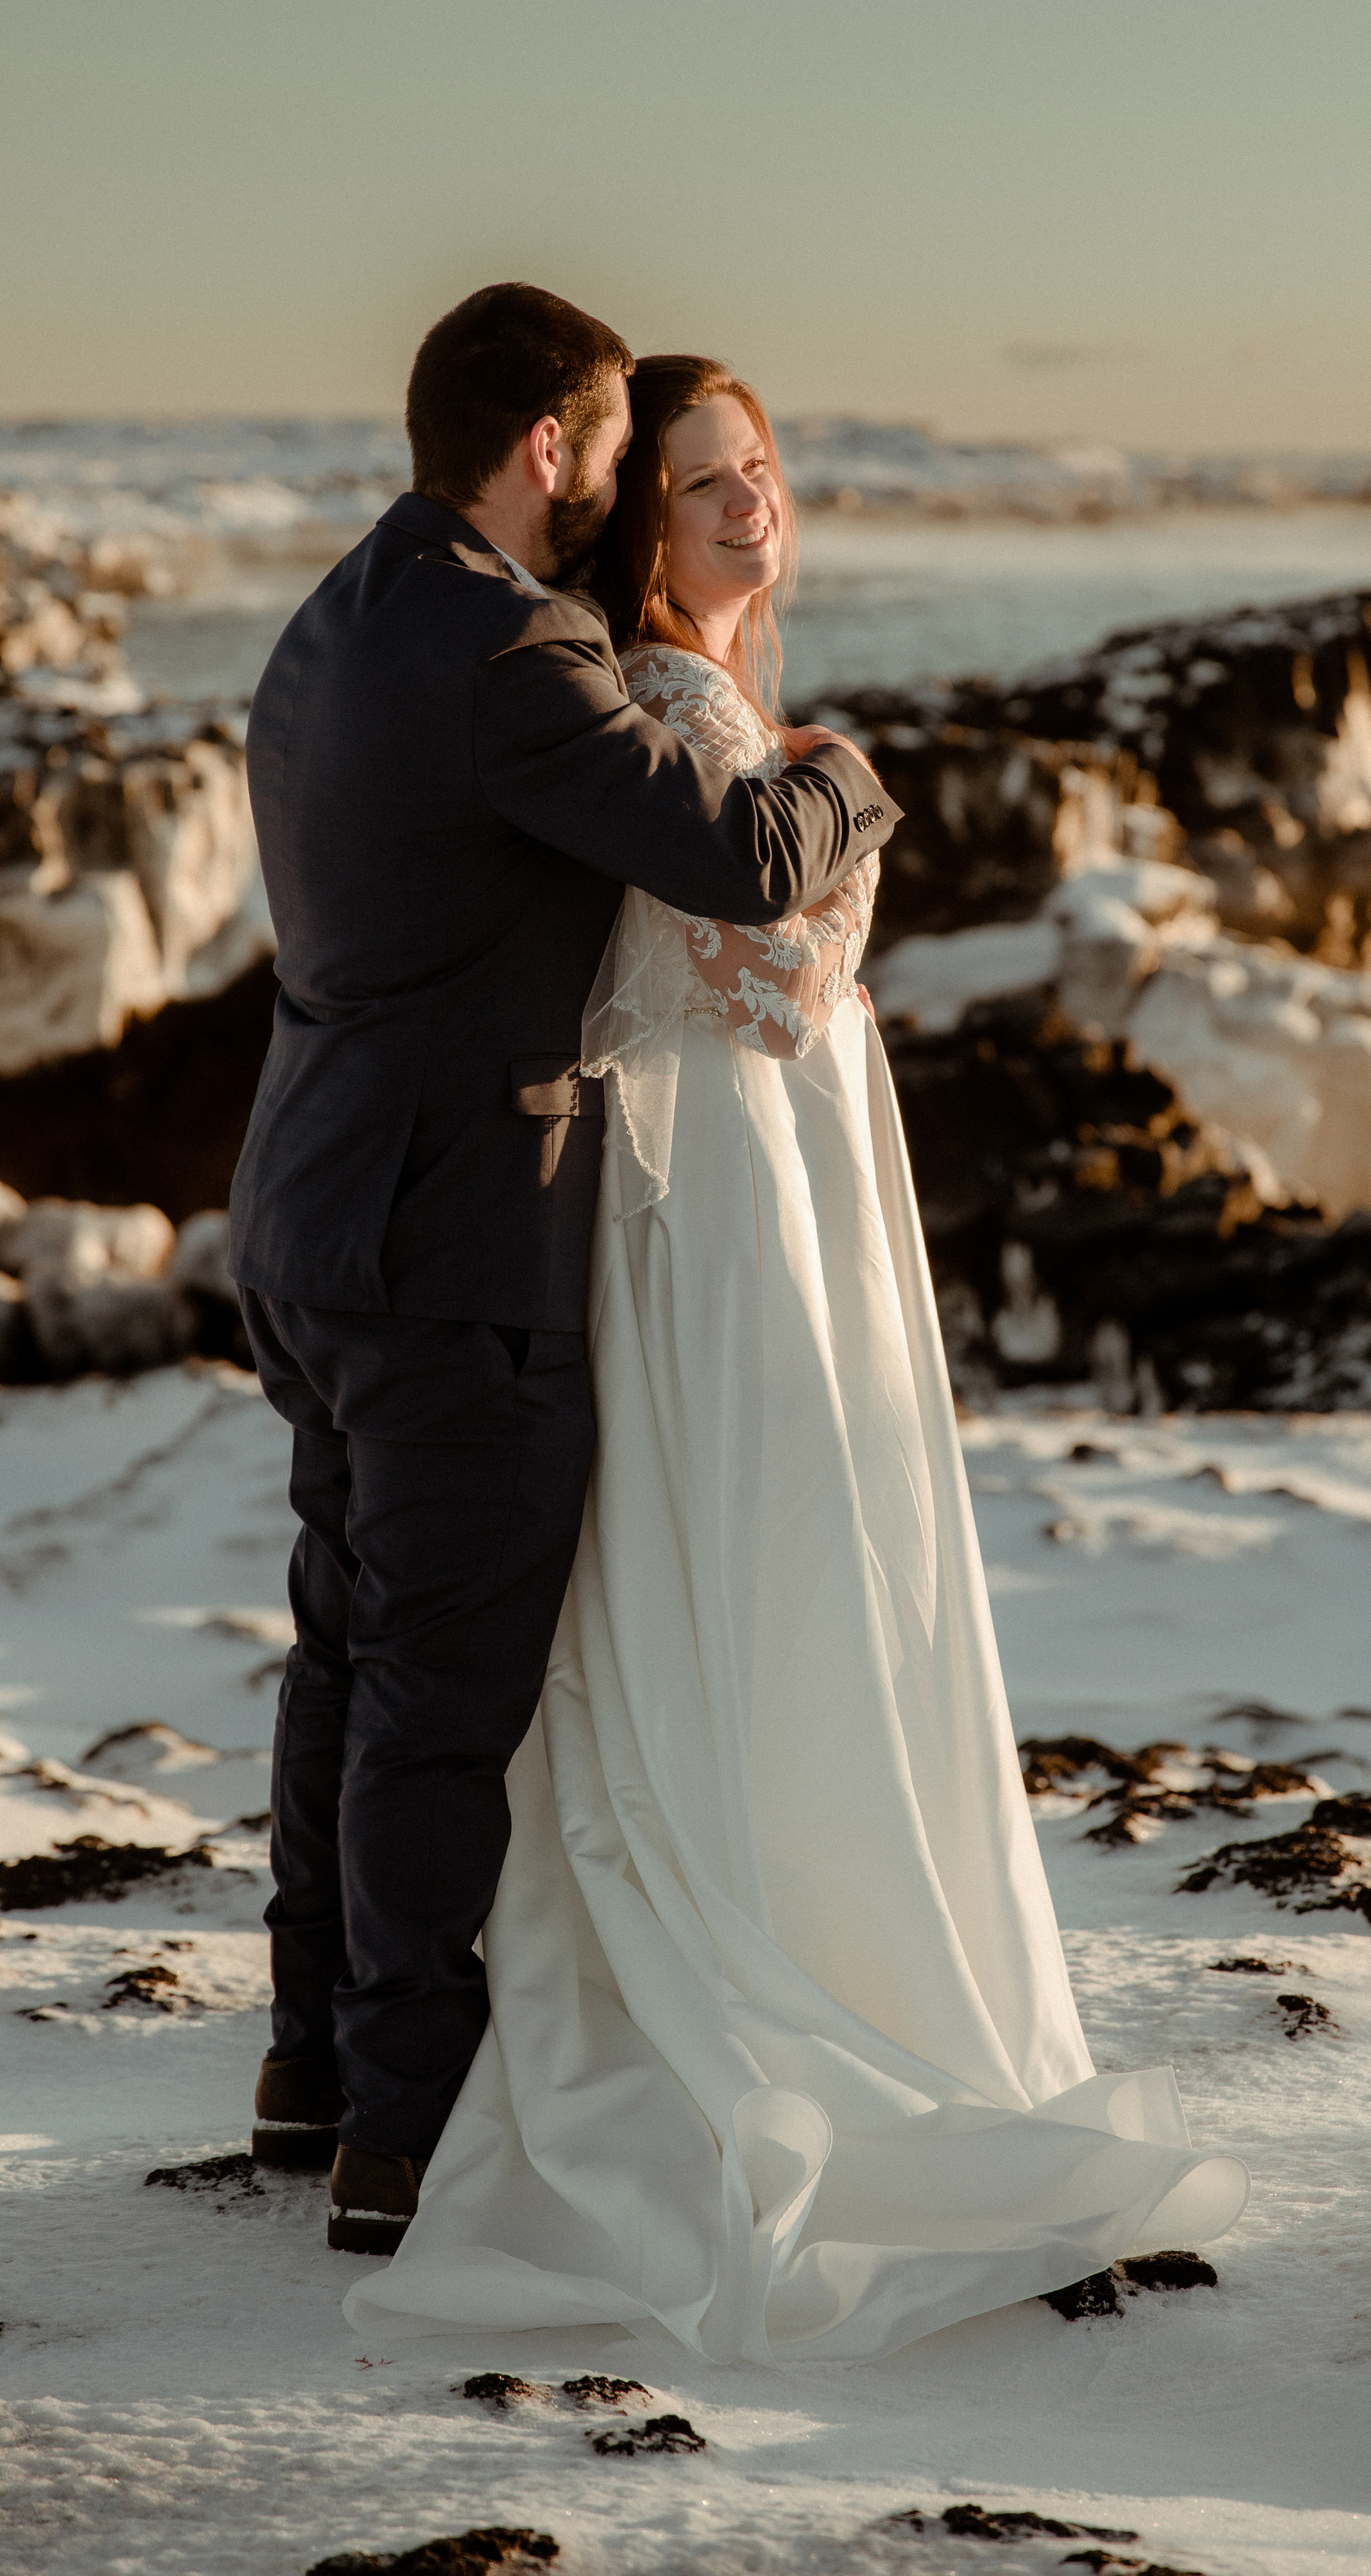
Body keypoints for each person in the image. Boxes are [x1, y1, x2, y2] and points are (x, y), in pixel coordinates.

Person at [342, 356, 1247, 2363]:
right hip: (733, 1198)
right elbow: (766, 971)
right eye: (700, 484)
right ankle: (773, 1971)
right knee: (775, 1567)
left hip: (780, 1175)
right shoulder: (676, 704)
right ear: (636, 528)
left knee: (777, 1574)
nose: (750, 506)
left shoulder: (713, 706)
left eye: (758, 470)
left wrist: (821, 792)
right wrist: (838, 789)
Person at [227, 288, 899, 2251]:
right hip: (452, 1240)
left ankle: (309, 2068)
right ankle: (402, 2142)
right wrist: (847, 766)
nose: (617, 490)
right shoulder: (515, 651)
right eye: (615, 449)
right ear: (550, 445)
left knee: (346, 1651)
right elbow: (748, 863)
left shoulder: (336, 612)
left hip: (306, 1207)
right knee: (440, 1693)